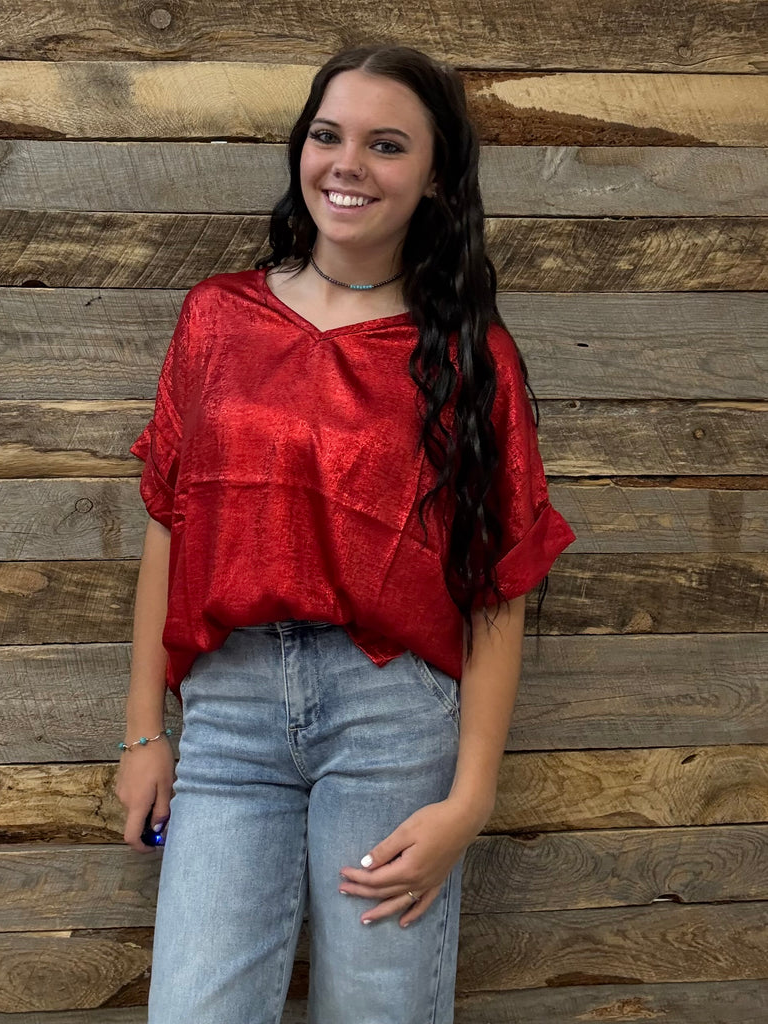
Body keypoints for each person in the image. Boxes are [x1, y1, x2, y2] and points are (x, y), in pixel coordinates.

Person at [115, 43, 575, 1024]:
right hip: (229, 718)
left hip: (390, 722)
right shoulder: (217, 319)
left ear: (437, 177)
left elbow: (498, 583)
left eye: (387, 144)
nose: (348, 164)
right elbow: (169, 523)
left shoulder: (469, 356)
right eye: (328, 135)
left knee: (379, 1011)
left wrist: (470, 800)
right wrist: (145, 731)